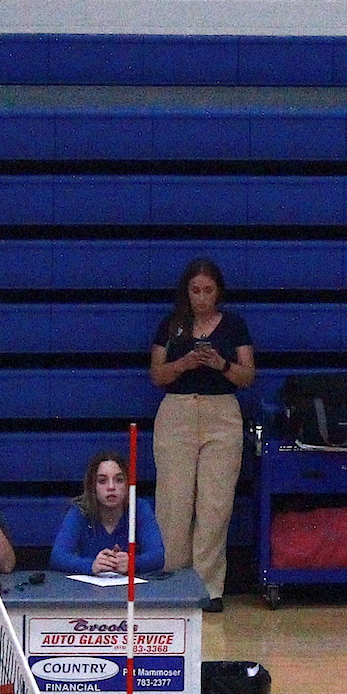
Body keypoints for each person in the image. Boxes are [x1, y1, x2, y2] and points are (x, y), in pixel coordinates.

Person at [148, 258, 254, 610]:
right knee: (173, 503)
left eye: (209, 291)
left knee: (215, 505)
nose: (202, 297)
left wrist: (221, 364)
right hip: (177, 412)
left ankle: (209, 588)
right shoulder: (171, 325)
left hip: (221, 413)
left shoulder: (234, 325)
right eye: (196, 290)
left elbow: (247, 376)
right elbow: (157, 375)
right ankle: (173, 584)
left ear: (218, 292)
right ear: (187, 292)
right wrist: (184, 363)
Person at [49, 449, 166, 579]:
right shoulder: (80, 511)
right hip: (88, 589)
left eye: (119, 480)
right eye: (102, 481)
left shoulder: (139, 508)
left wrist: (132, 563)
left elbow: (157, 556)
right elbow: (58, 557)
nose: (111, 487)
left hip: (132, 588)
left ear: (128, 484)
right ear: (92, 486)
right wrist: (91, 565)